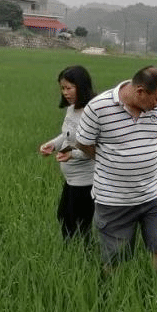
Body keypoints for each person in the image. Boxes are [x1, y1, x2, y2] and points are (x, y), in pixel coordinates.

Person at [75, 66, 157, 271]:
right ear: (140, 92)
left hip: (155, 193)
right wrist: (110, 160)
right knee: (114, 257)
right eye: (156, 99)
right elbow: (84, 143)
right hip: (114, 200)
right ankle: (111, 296)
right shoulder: (98, 107)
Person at [39, 65, 96, 241]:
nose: (65, 92)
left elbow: (94, 148)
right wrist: (52, 145)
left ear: (81, 86)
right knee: (64, 218)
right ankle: (73, 255)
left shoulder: (92, 112)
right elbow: (67, 136)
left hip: (86, 181)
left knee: (78, 226)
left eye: (69, 88)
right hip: (71, 179)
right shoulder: (72, 109)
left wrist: (71, 154)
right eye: (62, 88)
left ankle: (83, 259)